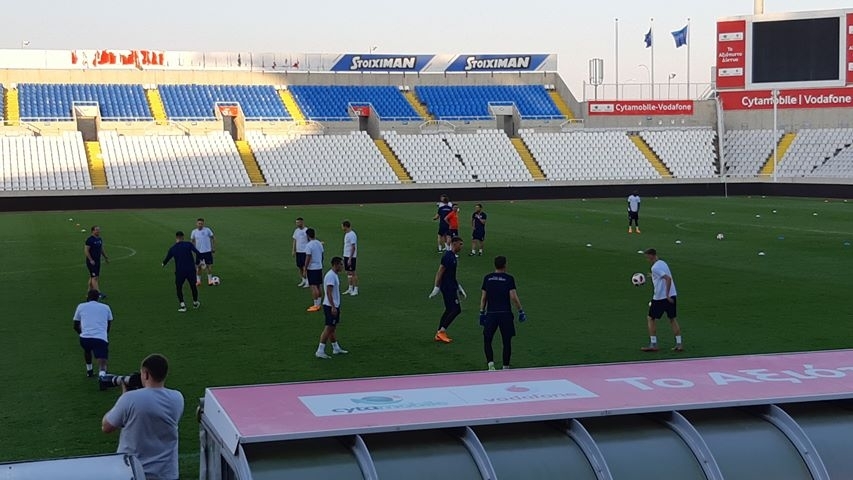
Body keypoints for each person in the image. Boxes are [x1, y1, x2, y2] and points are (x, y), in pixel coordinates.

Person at [102, 353, 184, 480]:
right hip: (166, 473)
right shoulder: (177, 398)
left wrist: (123, 396)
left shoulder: (130, 399)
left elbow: (106, 427)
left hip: (134, 473)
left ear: (146, 374)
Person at [480, 256, 526, 370]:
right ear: (505, 265)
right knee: (506, 341)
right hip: (505, 313)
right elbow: (513, 297)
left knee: (487, 339)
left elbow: (484, 297)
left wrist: (482, 312)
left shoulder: (487, 278)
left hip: (491, 313)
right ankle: (505, 366)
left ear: (495, 265)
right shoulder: (509, 279)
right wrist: (520, 311)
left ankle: (491, 365)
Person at [641, 248, 683, 352]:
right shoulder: (663, 263)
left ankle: (653, 344)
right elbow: (663, 275)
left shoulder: (655, 267)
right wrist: (652, 275)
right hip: (672, 295)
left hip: (660, 297)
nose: (647, 259)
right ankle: (679, 344)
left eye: (647, 257)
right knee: (672, 319)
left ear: (652, 255)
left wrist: (667, 295)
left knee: (650, 318)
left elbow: (668, 278)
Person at [429, 236, 466, 343]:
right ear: (454, 244)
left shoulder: (453, 256)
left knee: (449, 309)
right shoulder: (448, 257)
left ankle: (439, 333)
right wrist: (436, 287)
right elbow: (440, 272)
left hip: (451, 286)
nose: (461, 246)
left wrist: (459, 287)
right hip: (447, 288)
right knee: (456, 309)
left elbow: (451, 275)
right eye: (460, 244)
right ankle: (441, 331)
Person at [73, 289, 114, 378]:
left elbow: (75, 325)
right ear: (98, 298)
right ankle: (102, 375)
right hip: (100, 338)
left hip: (84, 339)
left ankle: (89, 371)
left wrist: (83, 334)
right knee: (102, 358)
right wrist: (104, 334)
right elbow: (108, 324)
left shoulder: (81, 306)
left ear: (88, 297)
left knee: (87, 350)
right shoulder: (106, 307)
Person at [315, 257, 349, 359]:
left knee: (332, 328)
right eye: (341, 264)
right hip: (330, 306)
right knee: (329, 328)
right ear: (336, 265)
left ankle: (335, 347)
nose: (342, 266)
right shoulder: (331, 276)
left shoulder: (333, 275)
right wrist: (333, 307)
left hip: (333, 305)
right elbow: (329, 292)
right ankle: (320, 350)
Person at [162, 231, 200, 312]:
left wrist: (163, 263)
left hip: (180, 271)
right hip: (190, 270)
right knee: (193, 286)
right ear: (183, 237)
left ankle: (183, 306)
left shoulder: (173, 248)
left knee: (179, 287)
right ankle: (195, 303)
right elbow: (198, 253)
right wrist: (197, 262)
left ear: (176, 237)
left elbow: (167, 258)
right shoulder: (188, 244)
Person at [84, 226, 109, 298]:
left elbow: (101, 249)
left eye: (99, 230)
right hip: (92, 262)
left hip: (97, 261)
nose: (98, 231)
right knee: (94, 278)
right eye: (96, 230)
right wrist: (91, 260)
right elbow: (86, 250)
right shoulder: (89, 240)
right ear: (92, 231)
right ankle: (98, 293)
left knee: (93, 277)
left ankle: (88, 293)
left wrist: (105, 257)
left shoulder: (99, 239)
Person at [303, 228, 325, 312]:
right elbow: (322, 255)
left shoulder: (309, 245)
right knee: (319, 285)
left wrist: (305, 268)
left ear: (308, 235)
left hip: (312, 268)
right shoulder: (319, 243)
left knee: (313, 286)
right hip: (319, 266)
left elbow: (308, 257)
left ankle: (316, 305)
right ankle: (319, 303)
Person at [191, 218, 216, 286]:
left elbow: (213, 238)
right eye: (199, 223)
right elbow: (192, 241)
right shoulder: (194, 232)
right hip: (199, 252)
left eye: (201, 224)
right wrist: (193, 250)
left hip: (207, 251)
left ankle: (210, 281)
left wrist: (213, 247)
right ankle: (198, 281)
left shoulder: (207, 230)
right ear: (196, 224)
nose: (200, 225)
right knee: (198, 267)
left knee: (208, 266)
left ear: (203, 224)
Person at [341, 220, 359, 296]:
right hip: (346, 255)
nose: (342, 228)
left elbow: (353, 247)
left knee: (353, 273)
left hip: (351, 256)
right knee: (348, 272)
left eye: (342, 226)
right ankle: (350, 288)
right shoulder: (347, 234)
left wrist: (350, 258)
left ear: (345, 226)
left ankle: (356, 289)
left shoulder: (352, 235)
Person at [292, 217, 309, 288]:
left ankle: (307, 281)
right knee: (299, 266)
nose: (297, 224)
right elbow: (295, 240)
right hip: (298, 251)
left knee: (305, 267)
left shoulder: (306, 230)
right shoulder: (296, 231)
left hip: (305, 251)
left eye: (298, 222)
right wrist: (293, 250)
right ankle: (303, 280)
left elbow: (310, 239)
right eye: (296, 223)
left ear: (302, 222)